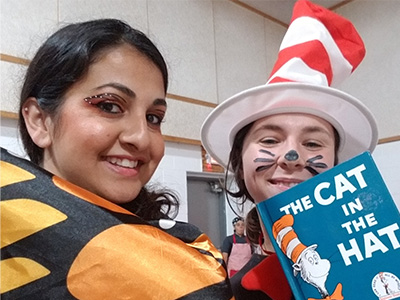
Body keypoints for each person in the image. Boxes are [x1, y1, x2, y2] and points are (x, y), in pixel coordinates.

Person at [1, 19, 232, 299]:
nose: (141, 137)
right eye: (109, 106)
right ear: (39, 121)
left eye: (153, 118)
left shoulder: (189, 260)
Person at [201, 0, 378, 299]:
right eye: (270, 140)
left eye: (312, 143)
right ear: (240, 165)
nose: (291, 157)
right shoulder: (228, 293)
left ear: (337, 165)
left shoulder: (384, 263)